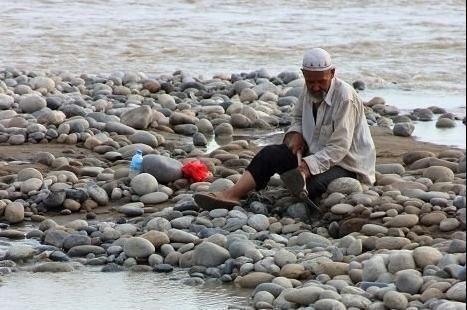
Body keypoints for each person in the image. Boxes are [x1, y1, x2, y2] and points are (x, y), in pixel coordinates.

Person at [194, 48, 376, 213]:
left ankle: (284, 195)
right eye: (310, 81)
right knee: (269, 155)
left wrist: (306, 167)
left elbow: (339, 148)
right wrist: (295, 134)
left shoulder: (345, 98)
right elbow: (297, 119)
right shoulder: (309, 88)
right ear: (304, 74)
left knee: (310, 186)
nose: (315, 87)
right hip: (314, 153)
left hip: (347, 164)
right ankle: (232, 194)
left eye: (321, 81)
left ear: (332, 73)